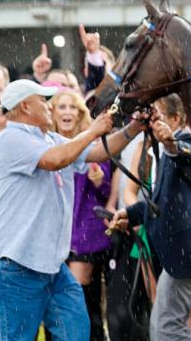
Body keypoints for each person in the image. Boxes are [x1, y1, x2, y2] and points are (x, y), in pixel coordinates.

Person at [0, 80, 143, 341]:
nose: (50, 107)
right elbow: (56, 159)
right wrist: (92, 131)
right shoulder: (10, 138)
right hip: (15, 266)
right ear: (25, 106)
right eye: (43, 101)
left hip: (53, 266)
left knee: (76, 333)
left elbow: (96, 152)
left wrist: (134, 127)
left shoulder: (49, 138)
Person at [107, 95, 191, 341]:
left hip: (188, 251)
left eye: (157, 113)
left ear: (176, 118)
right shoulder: (158, 150)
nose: (151, 119)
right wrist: (130, 213)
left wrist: (171, 144)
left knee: (167, 327)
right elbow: (161, 201)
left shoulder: (187, 140)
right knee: (162, 326)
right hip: (179, 253)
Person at [52, 91, 114, 341]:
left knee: (79, 300)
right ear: (53, 112)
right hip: (54, 233)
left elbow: (109, 191)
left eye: (72, 108)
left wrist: (100, 182)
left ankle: (93, 336)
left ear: (80, 114)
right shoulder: (46, 144)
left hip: (84, 233)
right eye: (61, 107)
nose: (67, 112)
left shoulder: (93, 147)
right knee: (58, 303)